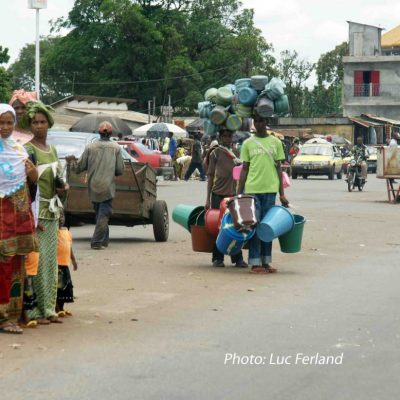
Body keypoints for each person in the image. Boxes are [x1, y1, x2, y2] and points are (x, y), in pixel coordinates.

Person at [23, 101, 67, 324]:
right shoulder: (28, 150)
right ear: (29, 126)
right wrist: (30, 215)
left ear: (48, 124)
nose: (39, 126)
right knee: (36, 263)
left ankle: (49, 308)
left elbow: (57, 181)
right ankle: (34, 311)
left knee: (51, 263)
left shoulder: (53, 150)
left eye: (42, 122)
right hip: (37, 212)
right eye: (35, 122)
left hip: (52, 210)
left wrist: (62, 191)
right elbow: (26, 186)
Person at [0, 104, 39, 334]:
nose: (4, 127)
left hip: (15, 221)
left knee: (13, 266)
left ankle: (9, 316)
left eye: (8, 123)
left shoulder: (19, 150)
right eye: (1, 122)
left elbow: (31, 180)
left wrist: (33, 172)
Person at [238, 113, 289, 274]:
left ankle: (266, 261)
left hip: (270, 190)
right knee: (254, 226)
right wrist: (239, 194)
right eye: (256, 120)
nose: (258, 123)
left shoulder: (276, 143)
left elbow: (278, 168)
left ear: (266, 122)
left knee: (268, 228)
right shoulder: (247, 144)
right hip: (252, 190)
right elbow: (244, 169)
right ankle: (254, 262)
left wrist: (281, 194)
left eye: (261, 120)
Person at [66, 122, 124, 250]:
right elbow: (120, 170)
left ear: (99, 133)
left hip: (93, 187)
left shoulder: (90, 147)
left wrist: (71, 162)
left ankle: (104, 240)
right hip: (107, 187)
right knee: (104, 213)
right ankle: (97, 242)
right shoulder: (116, 148)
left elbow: (79, 168)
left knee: (100, 213)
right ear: (110, 133)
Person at [206, 127, 247, 268]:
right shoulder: (215, 153)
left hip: (232, 196)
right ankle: (217, 258)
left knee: (236, 227)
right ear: (221, 137)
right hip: (217, 195)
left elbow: (242, 175)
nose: (227, 139)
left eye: (229, 136)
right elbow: (210, 176)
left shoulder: (236, 154)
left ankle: (237, 258)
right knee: (219, 228)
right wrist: (207, 198)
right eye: (225, 136)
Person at [56, 212, 78, 317]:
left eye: (62, 216)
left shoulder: (67, 232)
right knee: (58, 288)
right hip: (57, 264)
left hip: (65, 264)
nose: (61, 219)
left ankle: (62, 308)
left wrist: (73, 260)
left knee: (66, 287)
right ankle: (57, 308)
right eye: (58, 216)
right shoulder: (54, 233)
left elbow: (69, 247)